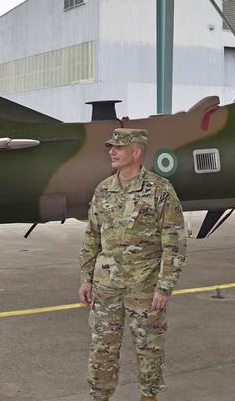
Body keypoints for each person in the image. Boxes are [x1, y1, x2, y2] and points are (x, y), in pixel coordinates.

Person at [78, 128, 187, 401]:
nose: (112, 152)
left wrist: (165, 286)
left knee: (149, 347)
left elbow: (174, 242)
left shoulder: (160, 190)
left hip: (145, 287)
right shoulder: (103, 190)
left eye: (118, 147)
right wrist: (85, 277)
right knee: (102, 347)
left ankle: (148, 396)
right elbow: (92, 236)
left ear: (136, 152)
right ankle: (99, 396)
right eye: (111, 147)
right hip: (106, 287)